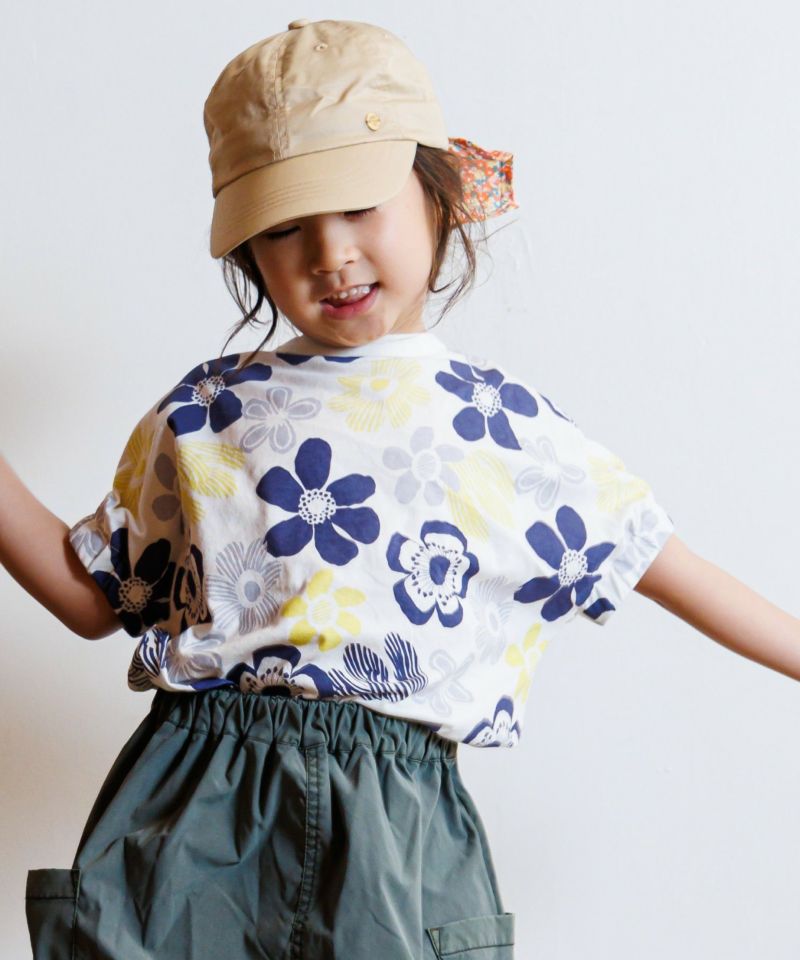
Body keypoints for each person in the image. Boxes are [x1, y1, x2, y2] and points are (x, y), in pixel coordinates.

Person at [3, 17, 799, 960]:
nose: (329, 253)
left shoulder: (504, 430)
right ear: (248, 249)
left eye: (358, 205)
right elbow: (96, 597)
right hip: (191, 813)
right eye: (284, 225)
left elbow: (676, 569)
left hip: (397, 830)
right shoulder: (207, 413)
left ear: (441, 195)